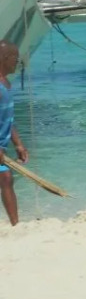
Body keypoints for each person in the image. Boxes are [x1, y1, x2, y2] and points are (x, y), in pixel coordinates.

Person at [0, 41, 31, 226]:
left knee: (6, 179)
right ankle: (15, 224)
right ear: (5, 58)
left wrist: (18, 144)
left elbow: (7, 119)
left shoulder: (6, 84)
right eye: (16, 58)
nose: (17, 62)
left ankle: (15, 225)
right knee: (6, 178)